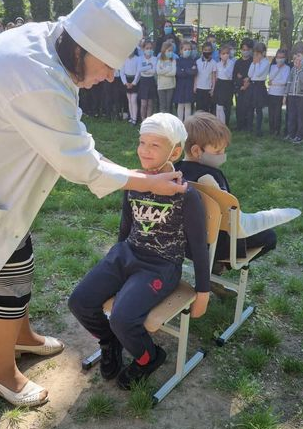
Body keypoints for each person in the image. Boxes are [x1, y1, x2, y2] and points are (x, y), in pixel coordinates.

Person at [0, 0, 187, 408]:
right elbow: (80, 163)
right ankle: (0, 373)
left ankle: (21, 336)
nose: (111, 77)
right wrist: (146, 182)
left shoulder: (51, 45)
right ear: (83, 48)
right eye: (107, 65)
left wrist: (134, 177)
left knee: (17, 253)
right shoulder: (35, 76)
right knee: (7, 276)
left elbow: (73, 135)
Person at [68, 113, 210, 389]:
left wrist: (202, 293)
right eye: (142, 142)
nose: (145, 150)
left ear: (175, 152)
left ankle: (149, 357)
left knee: (123, 318)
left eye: (154, 145)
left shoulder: (186, 195)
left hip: (161, 266)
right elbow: (126, 226)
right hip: (126, 254)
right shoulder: (133, 181)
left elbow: (199, 247)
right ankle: (109, 341)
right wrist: (115, 262)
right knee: (79, 301)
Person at [175, 111, 277, 274]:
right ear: (196, 151)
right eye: (218, 152)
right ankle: (219, 265)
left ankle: (215, 266)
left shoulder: (175, 171)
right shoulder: (210, 178)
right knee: (270, 236)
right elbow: (230, 218)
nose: (223, 155)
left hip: (182, 243)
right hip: (215, 245)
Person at [285, 49, 303, 144]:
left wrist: (299, 68)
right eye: (295, 56)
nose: (296, 58)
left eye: (298, 56)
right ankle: (291, 134)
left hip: (302, 96)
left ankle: (300, 136)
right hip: (292, 95)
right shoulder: (293, 67)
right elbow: (289, 81)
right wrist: (286, 94)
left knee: (301, 117)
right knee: (291, 116)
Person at [247, 42, 269, 136]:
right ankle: (249, 127)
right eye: (255, 53)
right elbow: (249, 74)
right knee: (250, 107)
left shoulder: (266, 62)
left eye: (258, 53)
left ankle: (258, 129)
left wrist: (257, 63)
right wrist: (254, 63)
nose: (256, 55)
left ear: (263, 53)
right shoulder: (254, 61)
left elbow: (259, 73)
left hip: (260, 86)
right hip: (252, 85)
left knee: (258, 109)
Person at [267, 49, 290, 136]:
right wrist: (278, 68)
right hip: (271, 92)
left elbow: (284, 81)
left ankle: (277, 130)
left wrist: (274, 83)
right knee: (271, 112)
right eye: (278, 57)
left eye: (282, 57)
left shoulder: (287, 68)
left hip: (280, 93)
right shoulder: (273, 67)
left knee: (277, 113)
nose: (279, 59)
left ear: (285, 58)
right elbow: (270, 78)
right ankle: (271, 129)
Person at [233, 38, 254, 131]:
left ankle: (248, 126)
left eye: (247, 50)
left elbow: (251, 75)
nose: (245, 51)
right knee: (239, 107)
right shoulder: (238, 62)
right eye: (243, 49)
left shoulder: (253, 62)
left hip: (249, 88)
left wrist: (245, 79)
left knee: (249, 107)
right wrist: (240, 81)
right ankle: (239, 125)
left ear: (251, 50)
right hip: (239, 88)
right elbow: (235, 75)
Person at [174, 41, 196, 121]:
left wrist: (184, 70)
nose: (187, 51)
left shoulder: (193, 61)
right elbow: (179, 73)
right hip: (180, 86)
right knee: (180, 105)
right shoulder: (178, 61)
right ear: (181, 50)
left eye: (189, 49)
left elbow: (194, 72)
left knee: (188, 105)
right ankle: (180, 122)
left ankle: (187, 122)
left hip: (189, 86)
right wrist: (189, 70)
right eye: (185, 49)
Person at [214, 44, 235, 125]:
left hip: (228, 85)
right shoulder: (218, 64)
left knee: (227, 106)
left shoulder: (231, 63)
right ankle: (219, 122)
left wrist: (225, 65)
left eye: (227, 53)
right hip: (220, 84)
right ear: (220, 55)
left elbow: (229, 75)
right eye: (223, 53)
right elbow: (217, 76)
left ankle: (226, 123)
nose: (225, 55)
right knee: (219, 105)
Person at [194, 41, 217, 112]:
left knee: (206, 108)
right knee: (198, 107)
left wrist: (213, 89)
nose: (207, 52)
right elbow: (196, 75)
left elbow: (213, 77)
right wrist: (195, 86)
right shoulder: (197, 61)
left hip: (208, 89)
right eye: (205, 50)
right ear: (202, 50)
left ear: (212, 51)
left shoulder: (214, 63)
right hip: (199, 88)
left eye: (209, 50)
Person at [137, 39, 157, 120]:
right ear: (143, 49)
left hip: (151, 81)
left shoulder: (155, 59)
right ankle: (143, 119)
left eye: (151, 48)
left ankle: (148, 120)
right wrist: (149, 67)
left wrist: (145, 69)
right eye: (147, 48)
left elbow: (154, 71)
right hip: (143, 81)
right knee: (143, 104)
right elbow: (139, 69)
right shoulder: (140, 58)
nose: (149, 50)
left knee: (150, 103)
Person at [120, 48, 140, 125]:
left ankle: (134, 118)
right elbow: (122, 72)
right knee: (129, 100)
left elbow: (138, 72)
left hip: (134, 80)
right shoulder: (124, 59)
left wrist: (134, 83)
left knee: (133, 100)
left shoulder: (137, 59)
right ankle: (131, 117)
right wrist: (125, 83)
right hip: (127, 80)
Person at [156, 41, 176, 113]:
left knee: (169, 105)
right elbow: (158, 72)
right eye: (169, 50)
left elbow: (173, 73)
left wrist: (163, 72)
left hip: (170, 86)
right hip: (161, 87)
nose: (171, 52)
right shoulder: (160, 61)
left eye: (172, 51)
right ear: (164, 50)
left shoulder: (173, 61)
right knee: (162, 105)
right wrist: (168, 69)